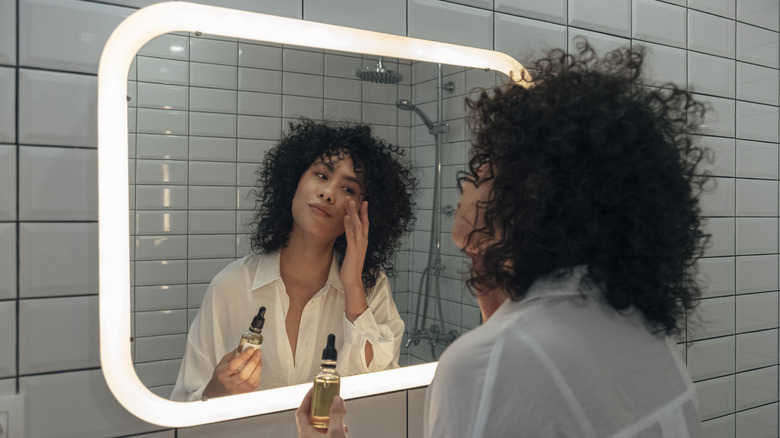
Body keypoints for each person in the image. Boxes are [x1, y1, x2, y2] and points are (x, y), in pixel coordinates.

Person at [296, 41, 709, 437]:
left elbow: (505, 357)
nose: (464, 182)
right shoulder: (642, 330)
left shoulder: (489, 363)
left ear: (533, 196)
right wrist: (486, 266)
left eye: (484, 170)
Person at [171, 119, 417, 401]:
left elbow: (384, 393)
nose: (327, 193)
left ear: (365, 212)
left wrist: (352, 286)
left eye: (348, 189)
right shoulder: (231, 285)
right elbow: (183, 401)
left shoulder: (371, 288)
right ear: (294, 180)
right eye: (322, 175)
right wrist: (216, 390)